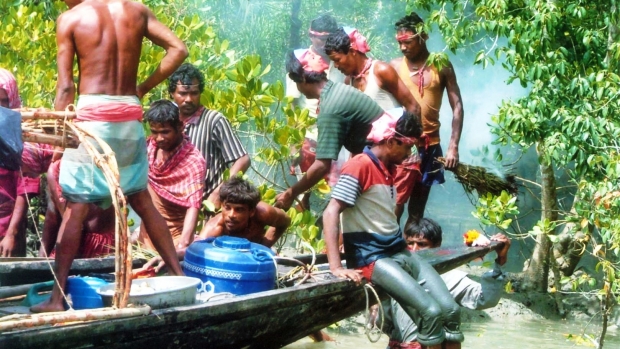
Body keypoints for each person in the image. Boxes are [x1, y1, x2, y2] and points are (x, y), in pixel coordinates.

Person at [31, 0, 188, 313]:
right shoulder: (136, 10)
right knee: (141, 197)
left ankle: (56, 298)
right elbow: (178, 49)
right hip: (128, 116)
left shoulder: (71, 19)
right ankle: (181, 279)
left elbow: (65, 88)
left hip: (92, 120)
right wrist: (141, 88)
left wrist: (59, 143)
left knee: (77, 206)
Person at [322, 112, 463, 349]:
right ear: (390, 141)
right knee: (429, 312)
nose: (410, 154)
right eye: (408, 147)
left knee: (450, 311)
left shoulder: (387, 168)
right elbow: (330, 211)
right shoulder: (359, 165)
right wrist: (336, 267)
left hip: (398, 251)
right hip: (373, 257)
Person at [275, 50, 385, 210]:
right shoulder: (336, 90)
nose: (298, 89)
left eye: (297, 83)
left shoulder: (331, 108)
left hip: (394, 158)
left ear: (304, 79)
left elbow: (322, 165)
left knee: (337, 212)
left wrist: (291, 193)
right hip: (386, 155)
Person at [384, 218, 511, 348]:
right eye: (409, 243)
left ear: (437, 246)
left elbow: (486, 299)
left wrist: (500, 261)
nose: (414, 249)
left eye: (422, 244)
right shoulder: (396, 275)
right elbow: (383, 320)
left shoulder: (449, 277)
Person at [390, 12, 465, 224]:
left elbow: (457, 106)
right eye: (400, 42)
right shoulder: (395, 66)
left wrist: (453, 146)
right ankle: (385, 250)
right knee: (394, 204)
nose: (403, 47)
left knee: (417, 209)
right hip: (400, 146)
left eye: (408, 42)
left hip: (430, 145)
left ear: (423, 37)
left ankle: (411, 251)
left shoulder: (441, 65)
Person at [146, 177, 290, 270]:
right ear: (222, 206)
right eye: (227, 208)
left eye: (239, 210)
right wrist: (170, 255)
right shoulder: (216, 227)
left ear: (251, 211)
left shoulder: (264, 213)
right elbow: (196, 248)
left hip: (255, 260)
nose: (231, 215)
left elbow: (285, 222)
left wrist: (263, 247)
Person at [168, 63, 250, 211]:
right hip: (176, 208)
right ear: (171, 94)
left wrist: (219, 193)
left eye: (194, 93)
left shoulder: (214, 120)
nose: (188, 99)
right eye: (182, 93)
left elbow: (242, 160)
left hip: (207, 207)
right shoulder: (167, 124)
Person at [286, 14, 346, 209]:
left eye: (326, 39)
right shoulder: (299, 60)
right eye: (317, 37)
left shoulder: (341, 61)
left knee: (335, 194)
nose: (321, 43)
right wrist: (294, 145)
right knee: (304, 193)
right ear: (310, 36)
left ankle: (327, 236)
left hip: (337, 139)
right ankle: (303, 238)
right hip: (309, 137)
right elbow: (292, 107)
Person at [136, 100, 206, 251]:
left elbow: (193, 206)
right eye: (154, 132)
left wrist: (182, 247)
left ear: (180, 127)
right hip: (146, 238)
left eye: (165, 132)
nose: (159, 138)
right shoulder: (149, 147)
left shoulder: (193, 161)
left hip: (173, 240)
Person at [324, 27, 421, 115]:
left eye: (337, 60)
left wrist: (409, 133)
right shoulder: (348, 82)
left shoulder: (381, 71)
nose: (336, 66)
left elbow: (413, 108)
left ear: (352, 52)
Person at [39, 160, 116, 258]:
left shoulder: (93, 168)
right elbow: (52, 222)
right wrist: (41, 261)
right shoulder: (57, 170)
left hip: (98, 247)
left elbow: (75, 226)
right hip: (72, 240)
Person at [0, 68, 27, 257]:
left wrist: (12, 233)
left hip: (7, 231)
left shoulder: (22, 132)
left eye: (3, 102)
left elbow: (26, 186)